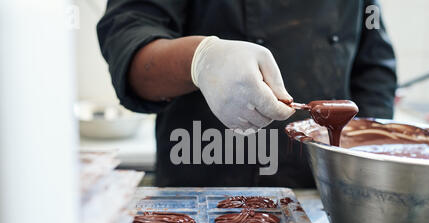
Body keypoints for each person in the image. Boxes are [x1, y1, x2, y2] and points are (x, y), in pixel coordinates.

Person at [97, 0, 397, 187]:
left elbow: (374, 70)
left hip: (321, 197)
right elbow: (128, 45)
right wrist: (200, 59)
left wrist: (364, 166)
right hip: (204, 187)